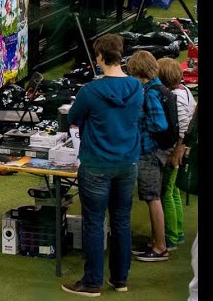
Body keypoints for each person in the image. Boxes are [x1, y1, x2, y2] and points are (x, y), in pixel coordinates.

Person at [61, 33, 143, 297]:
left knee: (95, 223)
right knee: (121, 221)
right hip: (127, 163)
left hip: (96, 164)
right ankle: (120, 279)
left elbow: (72, 118)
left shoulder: (90, 91)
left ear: (99, 57)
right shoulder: (137, 87)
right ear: (120, 54)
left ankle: (92, 282)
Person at [126, 52, 172, 263]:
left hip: (150, 152)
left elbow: (159, 125)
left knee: (152, 198)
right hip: (155, 151)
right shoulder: (158, 89)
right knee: (153, 197)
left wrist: (141, 118)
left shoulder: (151, 94)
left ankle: (160, 247)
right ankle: (155, 242)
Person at [157, 56, 195, 253]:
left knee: (166, 194)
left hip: (173, 151)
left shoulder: (175, 96)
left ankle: (170, 237)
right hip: (178, 150)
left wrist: (176, 151)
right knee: (173, 192)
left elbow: (182, 127)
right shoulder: (185, 90)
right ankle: (177, 232)